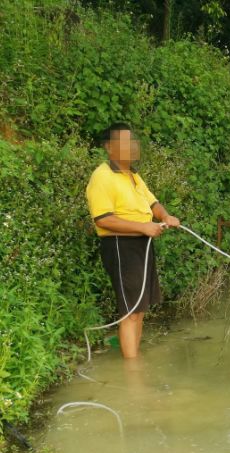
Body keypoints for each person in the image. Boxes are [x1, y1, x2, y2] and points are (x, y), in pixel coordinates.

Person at [85, 123, 181, 358]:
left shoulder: (133, 175)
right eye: (125, 143)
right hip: (121, 246)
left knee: (140, 308)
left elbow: (152, 203)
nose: (132, 147)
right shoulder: (102, 177)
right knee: (130, 311)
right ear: (109, 147)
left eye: (133, 142)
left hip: (142, 244)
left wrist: (165, 216)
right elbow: (103, 219)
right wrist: (143, 227)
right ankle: (132, 371)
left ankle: (134, 359)